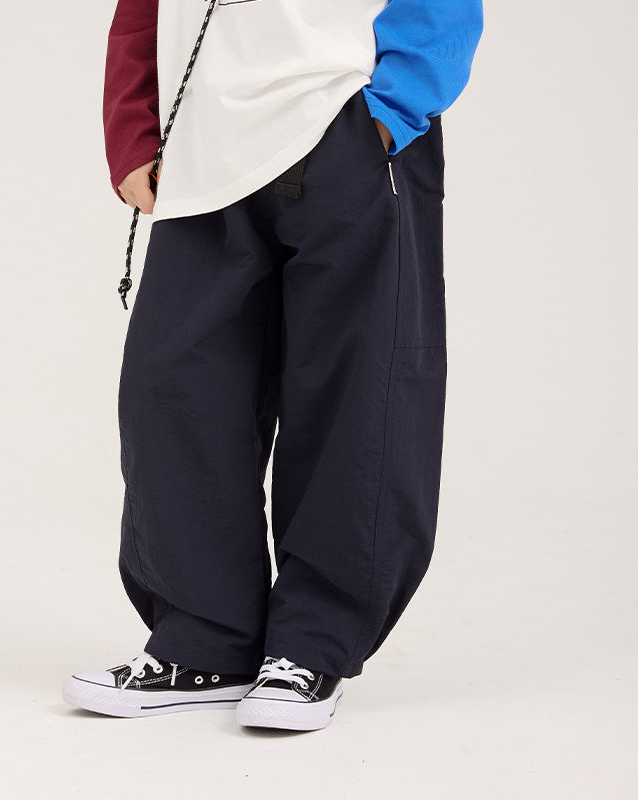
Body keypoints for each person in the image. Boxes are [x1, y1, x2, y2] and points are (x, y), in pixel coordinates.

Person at [63, 0, 484, 731]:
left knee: (357, 396)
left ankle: (312, 645)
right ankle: (206, 642)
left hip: (345, 120)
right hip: (205, 141)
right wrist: (132, 127)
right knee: (176, 389)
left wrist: (392, 109)